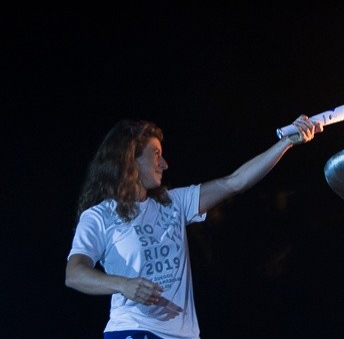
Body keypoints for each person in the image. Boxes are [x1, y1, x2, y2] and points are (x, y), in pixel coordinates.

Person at [65, 115, 322, 339]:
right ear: (131, 159)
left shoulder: (175, 203)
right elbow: (74, 273)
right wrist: (123, 284)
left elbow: (235, 182)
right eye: (156, 154)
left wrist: (287, 142)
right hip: (134, 329)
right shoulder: (99, 216)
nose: (164, 164)